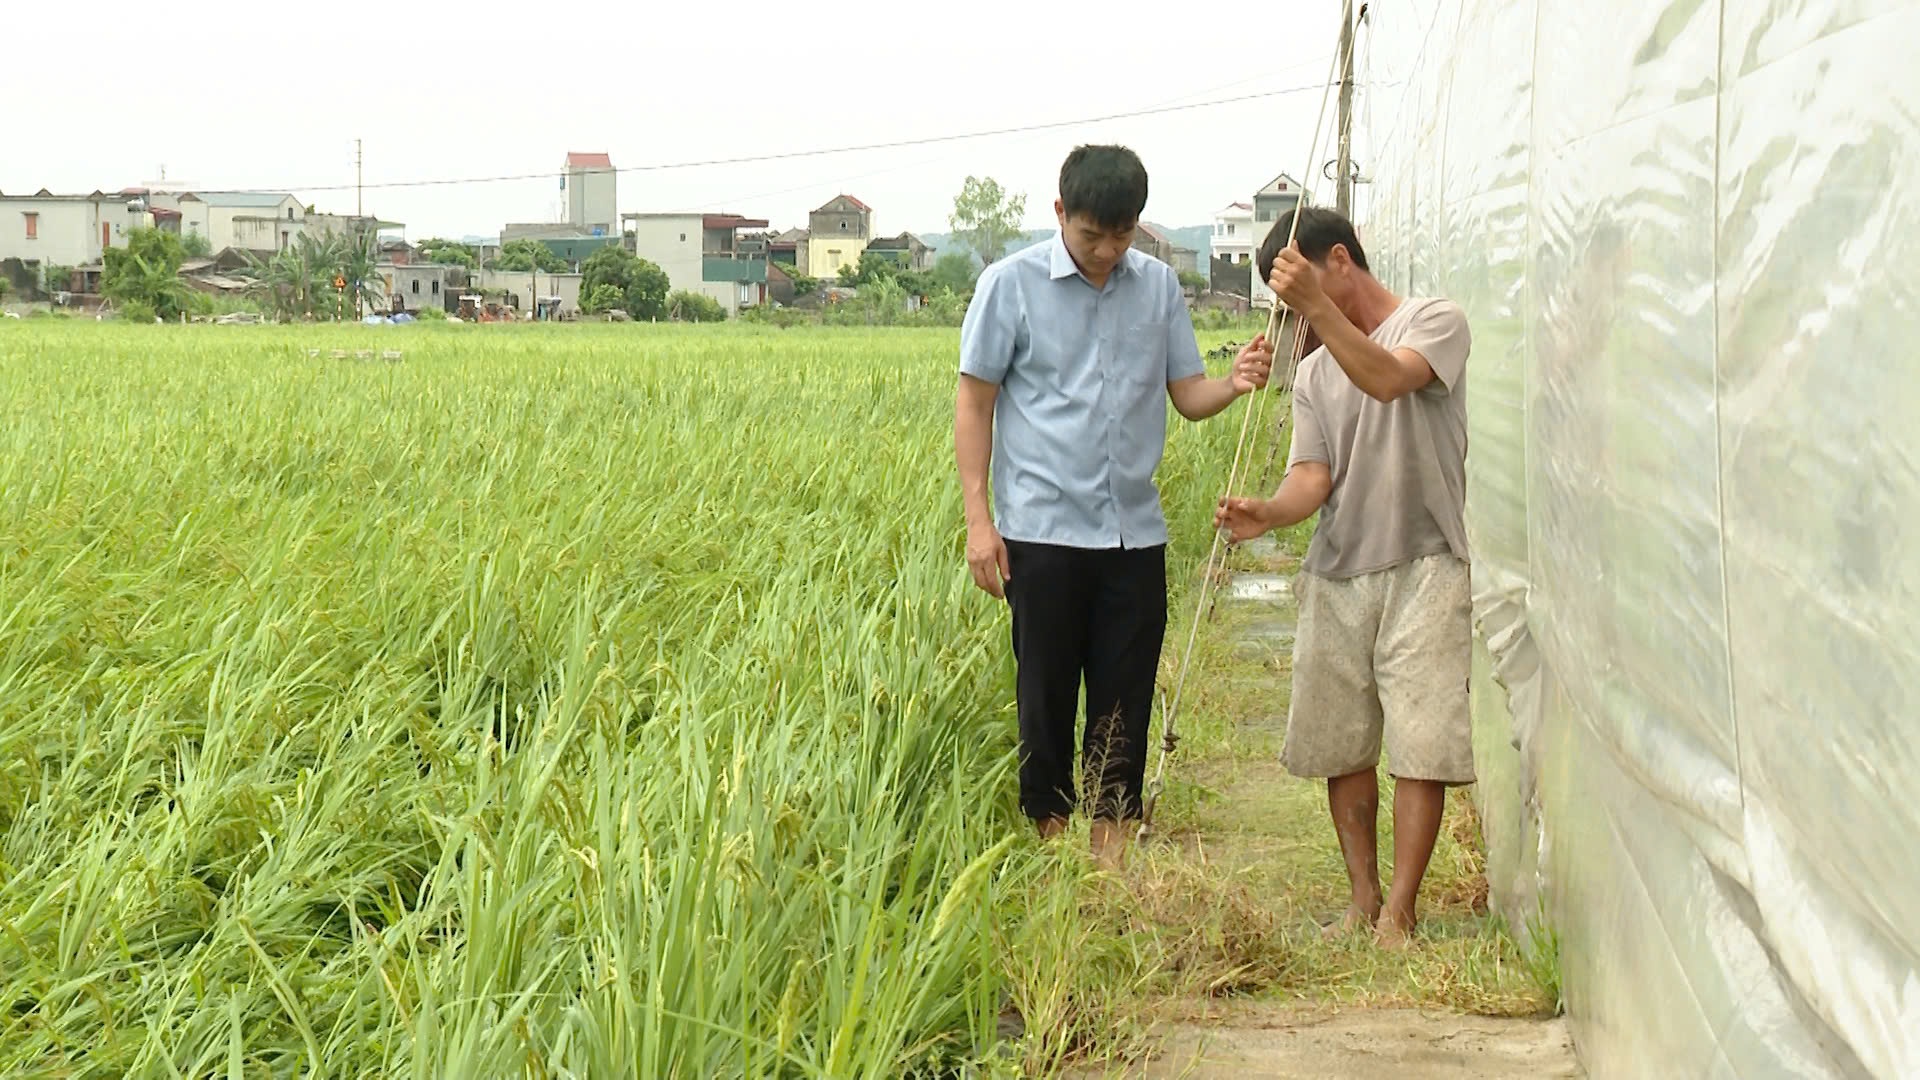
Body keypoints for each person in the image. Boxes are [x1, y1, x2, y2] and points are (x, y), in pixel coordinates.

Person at [955, 144, 1273, 869]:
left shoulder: (1157, 288)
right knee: (1045, 697)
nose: (1107, 250)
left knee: (1123, 699)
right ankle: (1052, 849)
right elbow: (975, 404)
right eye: (1092, 233)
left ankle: (1110, 861)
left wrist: (1233, 383)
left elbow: (1186, 395)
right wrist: (980, 523)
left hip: (1134, 534)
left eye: (1122, 234)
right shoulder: (1010, 286)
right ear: (1061, 212)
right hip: (1041, 531)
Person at [1214, 206, 1472, 947]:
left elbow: (1390, 380)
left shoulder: (1434, 320)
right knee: (1343, 741)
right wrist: (1269, 512)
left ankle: (1401, 910)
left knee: (1422, 743)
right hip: (1338, 570)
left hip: (1427, 560)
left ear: (1339, 259)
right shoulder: (1316, 373)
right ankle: (1363, 900)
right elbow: (1312, 476)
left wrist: (1316, 310)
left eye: (1297, 292)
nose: (1294, 317)